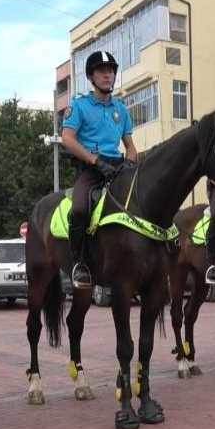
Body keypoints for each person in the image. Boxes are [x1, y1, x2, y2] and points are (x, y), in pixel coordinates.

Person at [60, 51, 138, 289]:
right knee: (80, 209)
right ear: (91, 77)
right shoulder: (79, 106)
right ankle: (79, 263)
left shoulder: (121, 109)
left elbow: (130, 146)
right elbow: (68, 139)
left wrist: (131, 161)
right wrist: (95, 161)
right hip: (92, 169)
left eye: (111, 70)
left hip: (118, 168)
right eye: (102, 71)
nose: (108, 75)